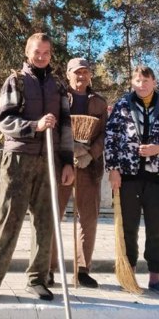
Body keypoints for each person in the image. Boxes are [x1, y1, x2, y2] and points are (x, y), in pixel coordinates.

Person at [0, 33, 76, 303]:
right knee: (8, 221)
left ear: (51, 54)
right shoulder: (16, 81)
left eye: (46, 52)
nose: (41, 56)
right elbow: (5, 121)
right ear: (27, 52)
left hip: (50, 162)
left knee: (45, 223)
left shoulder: (58, 85)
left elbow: (66, 127)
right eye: (36, 52)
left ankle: (38, 279)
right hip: (18, 159)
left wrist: (67, 161)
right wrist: (34, 126)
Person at [104, 66, 159, 295]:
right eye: (137, 80)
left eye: (145, 80)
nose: (141, 85)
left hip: (158, 176)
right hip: (128, 175)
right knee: (128, 227)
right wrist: (113, 169)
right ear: (132, 82)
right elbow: (111, 137)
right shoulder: (122, 105)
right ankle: (128, 275)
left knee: (156, 228)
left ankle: (155, 277)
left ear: (154, 82)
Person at [49, 57, 108, 288]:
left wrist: (89, 154)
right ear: (68, 74)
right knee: (55, 216)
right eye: (76, 72)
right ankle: (49, 268)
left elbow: (105, 134)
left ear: (90, 75)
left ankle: (82, 270)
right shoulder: (58, 99)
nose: (81, 76)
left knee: (89, 219)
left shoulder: (100, 103)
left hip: (89, 167)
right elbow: (52, 129)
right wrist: (69, 152)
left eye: (85, 72)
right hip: (62, 166)